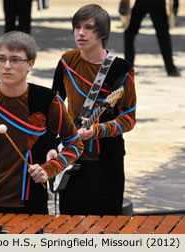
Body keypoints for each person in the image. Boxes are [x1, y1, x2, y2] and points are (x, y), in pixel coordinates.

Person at [0, 31, 83, 214]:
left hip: (32, 204)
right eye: (1, 59)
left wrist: (50, 168)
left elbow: (75, 144)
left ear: (30, 64)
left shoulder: (47, 100)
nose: (6, 66)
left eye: (15, 60)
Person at [52, 4, 137, 215]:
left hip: (107, 163)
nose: (80, 33)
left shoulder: (121, 69)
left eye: (88, 27)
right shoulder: (67, 61)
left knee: (106, 226)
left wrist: (97, 131)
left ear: (103, 33)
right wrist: (51, 143)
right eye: (77, 27)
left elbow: (128, 118)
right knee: (68, 225)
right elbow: (53, 106)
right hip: (72, 156)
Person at [120, 0, 180, 76]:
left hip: (143, 3)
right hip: (157, 3)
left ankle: (127, 68)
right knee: (163, 36)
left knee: (129, 34)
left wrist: (124, 2)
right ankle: (170, 69)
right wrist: (175, 3)